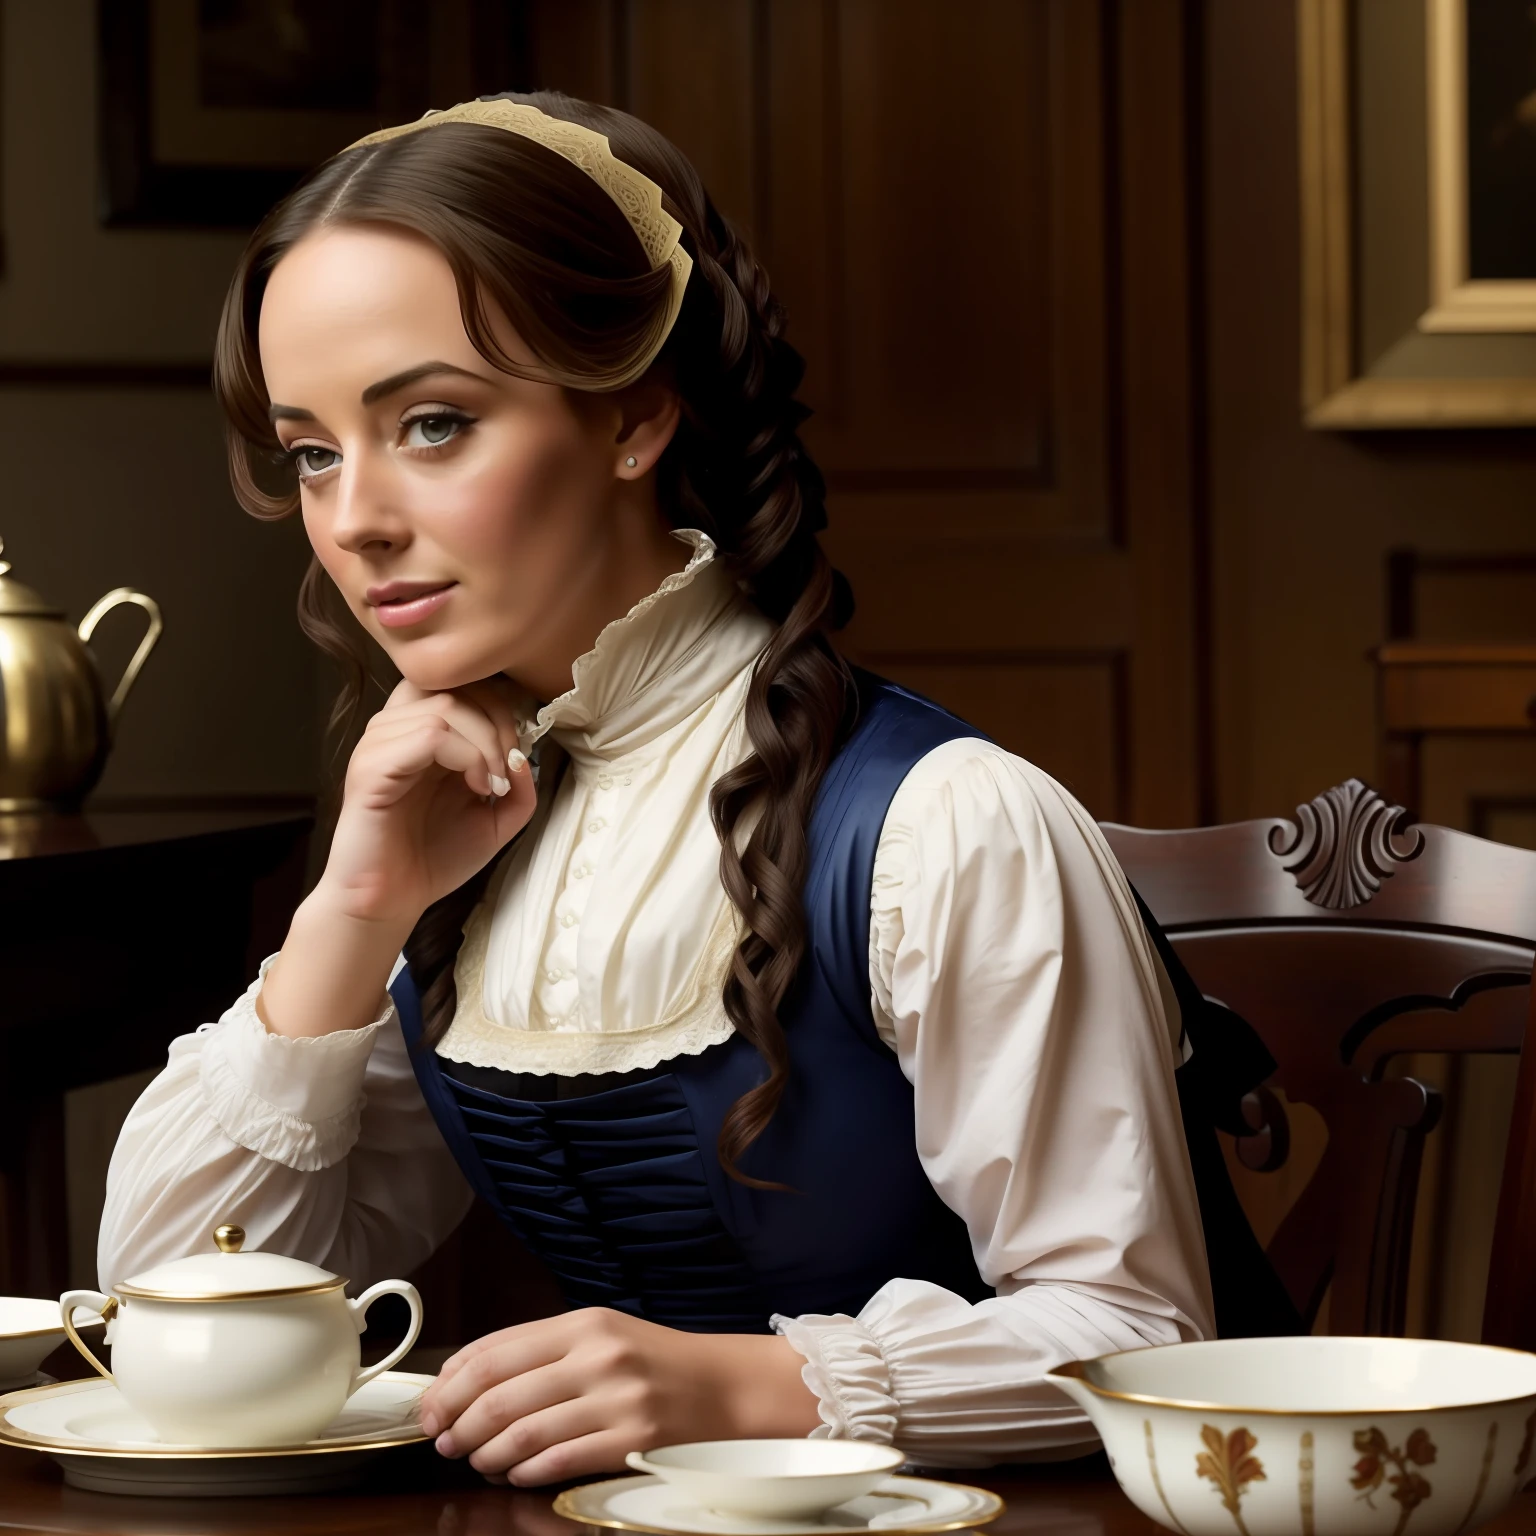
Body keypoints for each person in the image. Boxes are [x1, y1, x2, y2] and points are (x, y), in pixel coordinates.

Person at [98, 92, 1283, 1488]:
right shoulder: (466, 827)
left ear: (633, 420)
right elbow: (175, 1302)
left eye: (430, 423)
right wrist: (355, 909)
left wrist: (747, 1383)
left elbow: (1142, 1337)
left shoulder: (945, 822)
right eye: (312, 451)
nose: (354, 516)